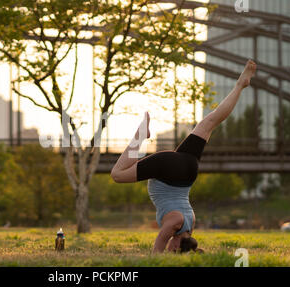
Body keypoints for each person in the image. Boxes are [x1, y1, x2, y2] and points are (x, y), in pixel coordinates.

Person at [110, 60, 257, 253]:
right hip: (167, 170)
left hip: (188, 169)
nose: (171, 247)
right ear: (178, 245)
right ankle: (140, 136)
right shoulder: (175, 224)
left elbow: (175, 237)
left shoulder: (190, 223)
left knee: (210, 121)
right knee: (117, 175)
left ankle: (240, 85)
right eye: (174, 250)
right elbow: (157, 250)